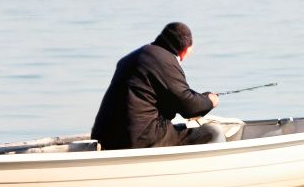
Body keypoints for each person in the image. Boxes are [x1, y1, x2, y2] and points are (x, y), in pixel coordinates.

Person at [90, 22, 221, 149]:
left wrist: (201, 98)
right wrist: (210, 101)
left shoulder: (135, 57)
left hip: (105, 136)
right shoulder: (165, 61)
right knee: (213, 132)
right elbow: (189, 107)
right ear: (185, 50)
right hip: (139, 138)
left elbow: (173, 97)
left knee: (179, 127)